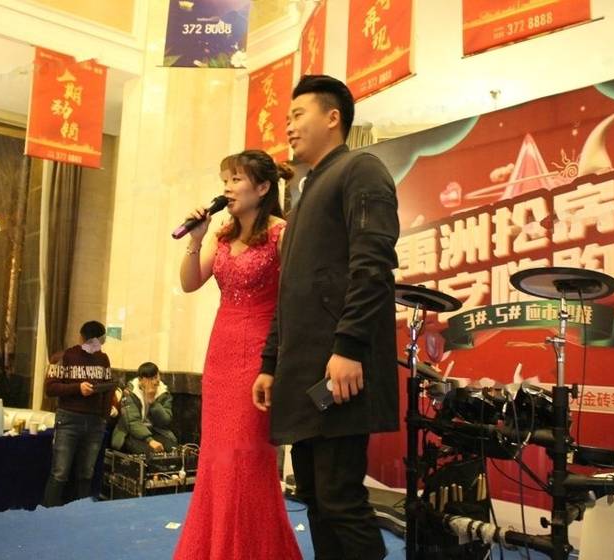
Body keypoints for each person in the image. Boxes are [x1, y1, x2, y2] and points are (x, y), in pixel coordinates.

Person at [252, 74, 400, 560]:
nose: (288, 126)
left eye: (298, 114)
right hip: (304, 376)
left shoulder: (361, 169)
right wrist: (270, 363)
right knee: (314, 496)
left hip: (339, 370)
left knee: (340, 498)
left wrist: (349, 347)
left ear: (333, 117)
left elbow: (373, 266)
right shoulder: (303, 196)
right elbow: (289, 292)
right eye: (287, 117)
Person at [173, 151, 302, 560]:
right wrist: (197, 239)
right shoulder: (222, 233)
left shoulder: (283, 233)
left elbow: (295, 298)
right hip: (221, 353)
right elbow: (190, 282)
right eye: (224, 180)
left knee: (245, 457)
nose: (226, 188)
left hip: (259, 355)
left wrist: (278, 363)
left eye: (235, 180)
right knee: (216, 457)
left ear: (262, 188)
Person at [42, 320, 113, 507]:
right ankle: (49, 512)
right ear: (82, 338)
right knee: (60, 472)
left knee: (86, 473)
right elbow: (50, 388)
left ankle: (81, 512)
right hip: (69, 419)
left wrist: (104, 417)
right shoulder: (64, 356)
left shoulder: (103, 359)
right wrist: (77, 388)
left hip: (95, 422)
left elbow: (108, 390)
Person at [111, 361, 178, 454]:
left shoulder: (164, 393)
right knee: (149, 452)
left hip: (155, 431)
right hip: (129, 434)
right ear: (140, 380)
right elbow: (132, 423)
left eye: (156, 377)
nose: (154, 382)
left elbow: (165, 421)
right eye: (150, 379)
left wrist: (153, 403)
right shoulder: (130, 393)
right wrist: (150, 440)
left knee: (172, 448)